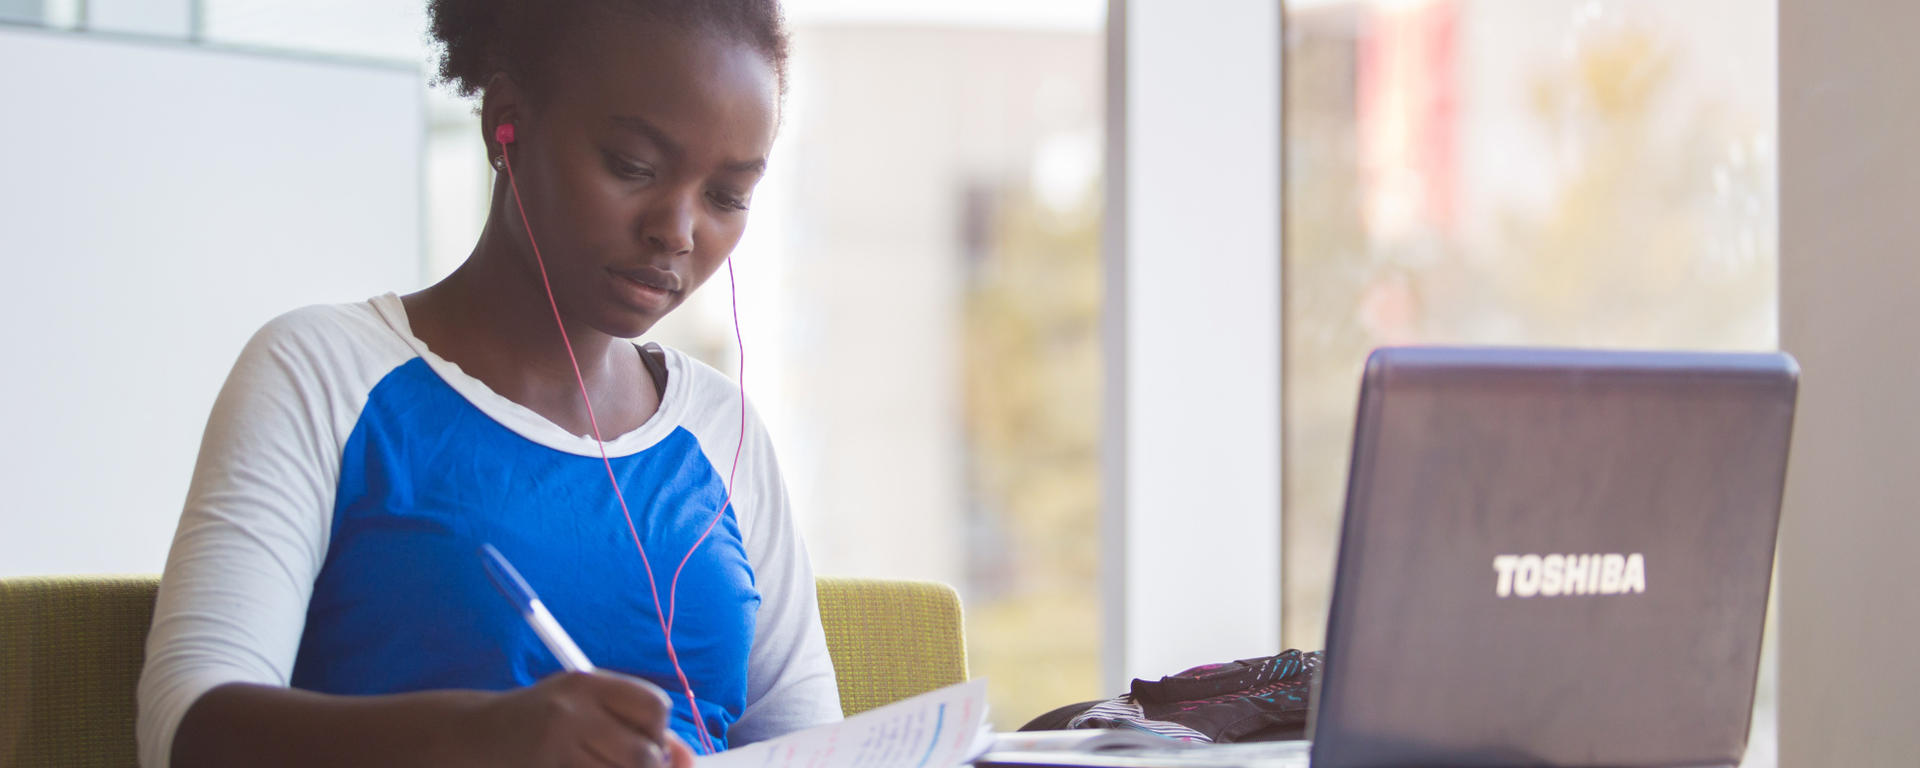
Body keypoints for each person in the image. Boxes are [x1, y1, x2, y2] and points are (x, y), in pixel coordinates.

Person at [135, 2, 842, 766]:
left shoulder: (721, 428)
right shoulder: (322, 371)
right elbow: (187, 730)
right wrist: (478, 739)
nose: (677, 230)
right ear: (507, 122)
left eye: (726, 196)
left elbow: (816, 746)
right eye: (634, 166)